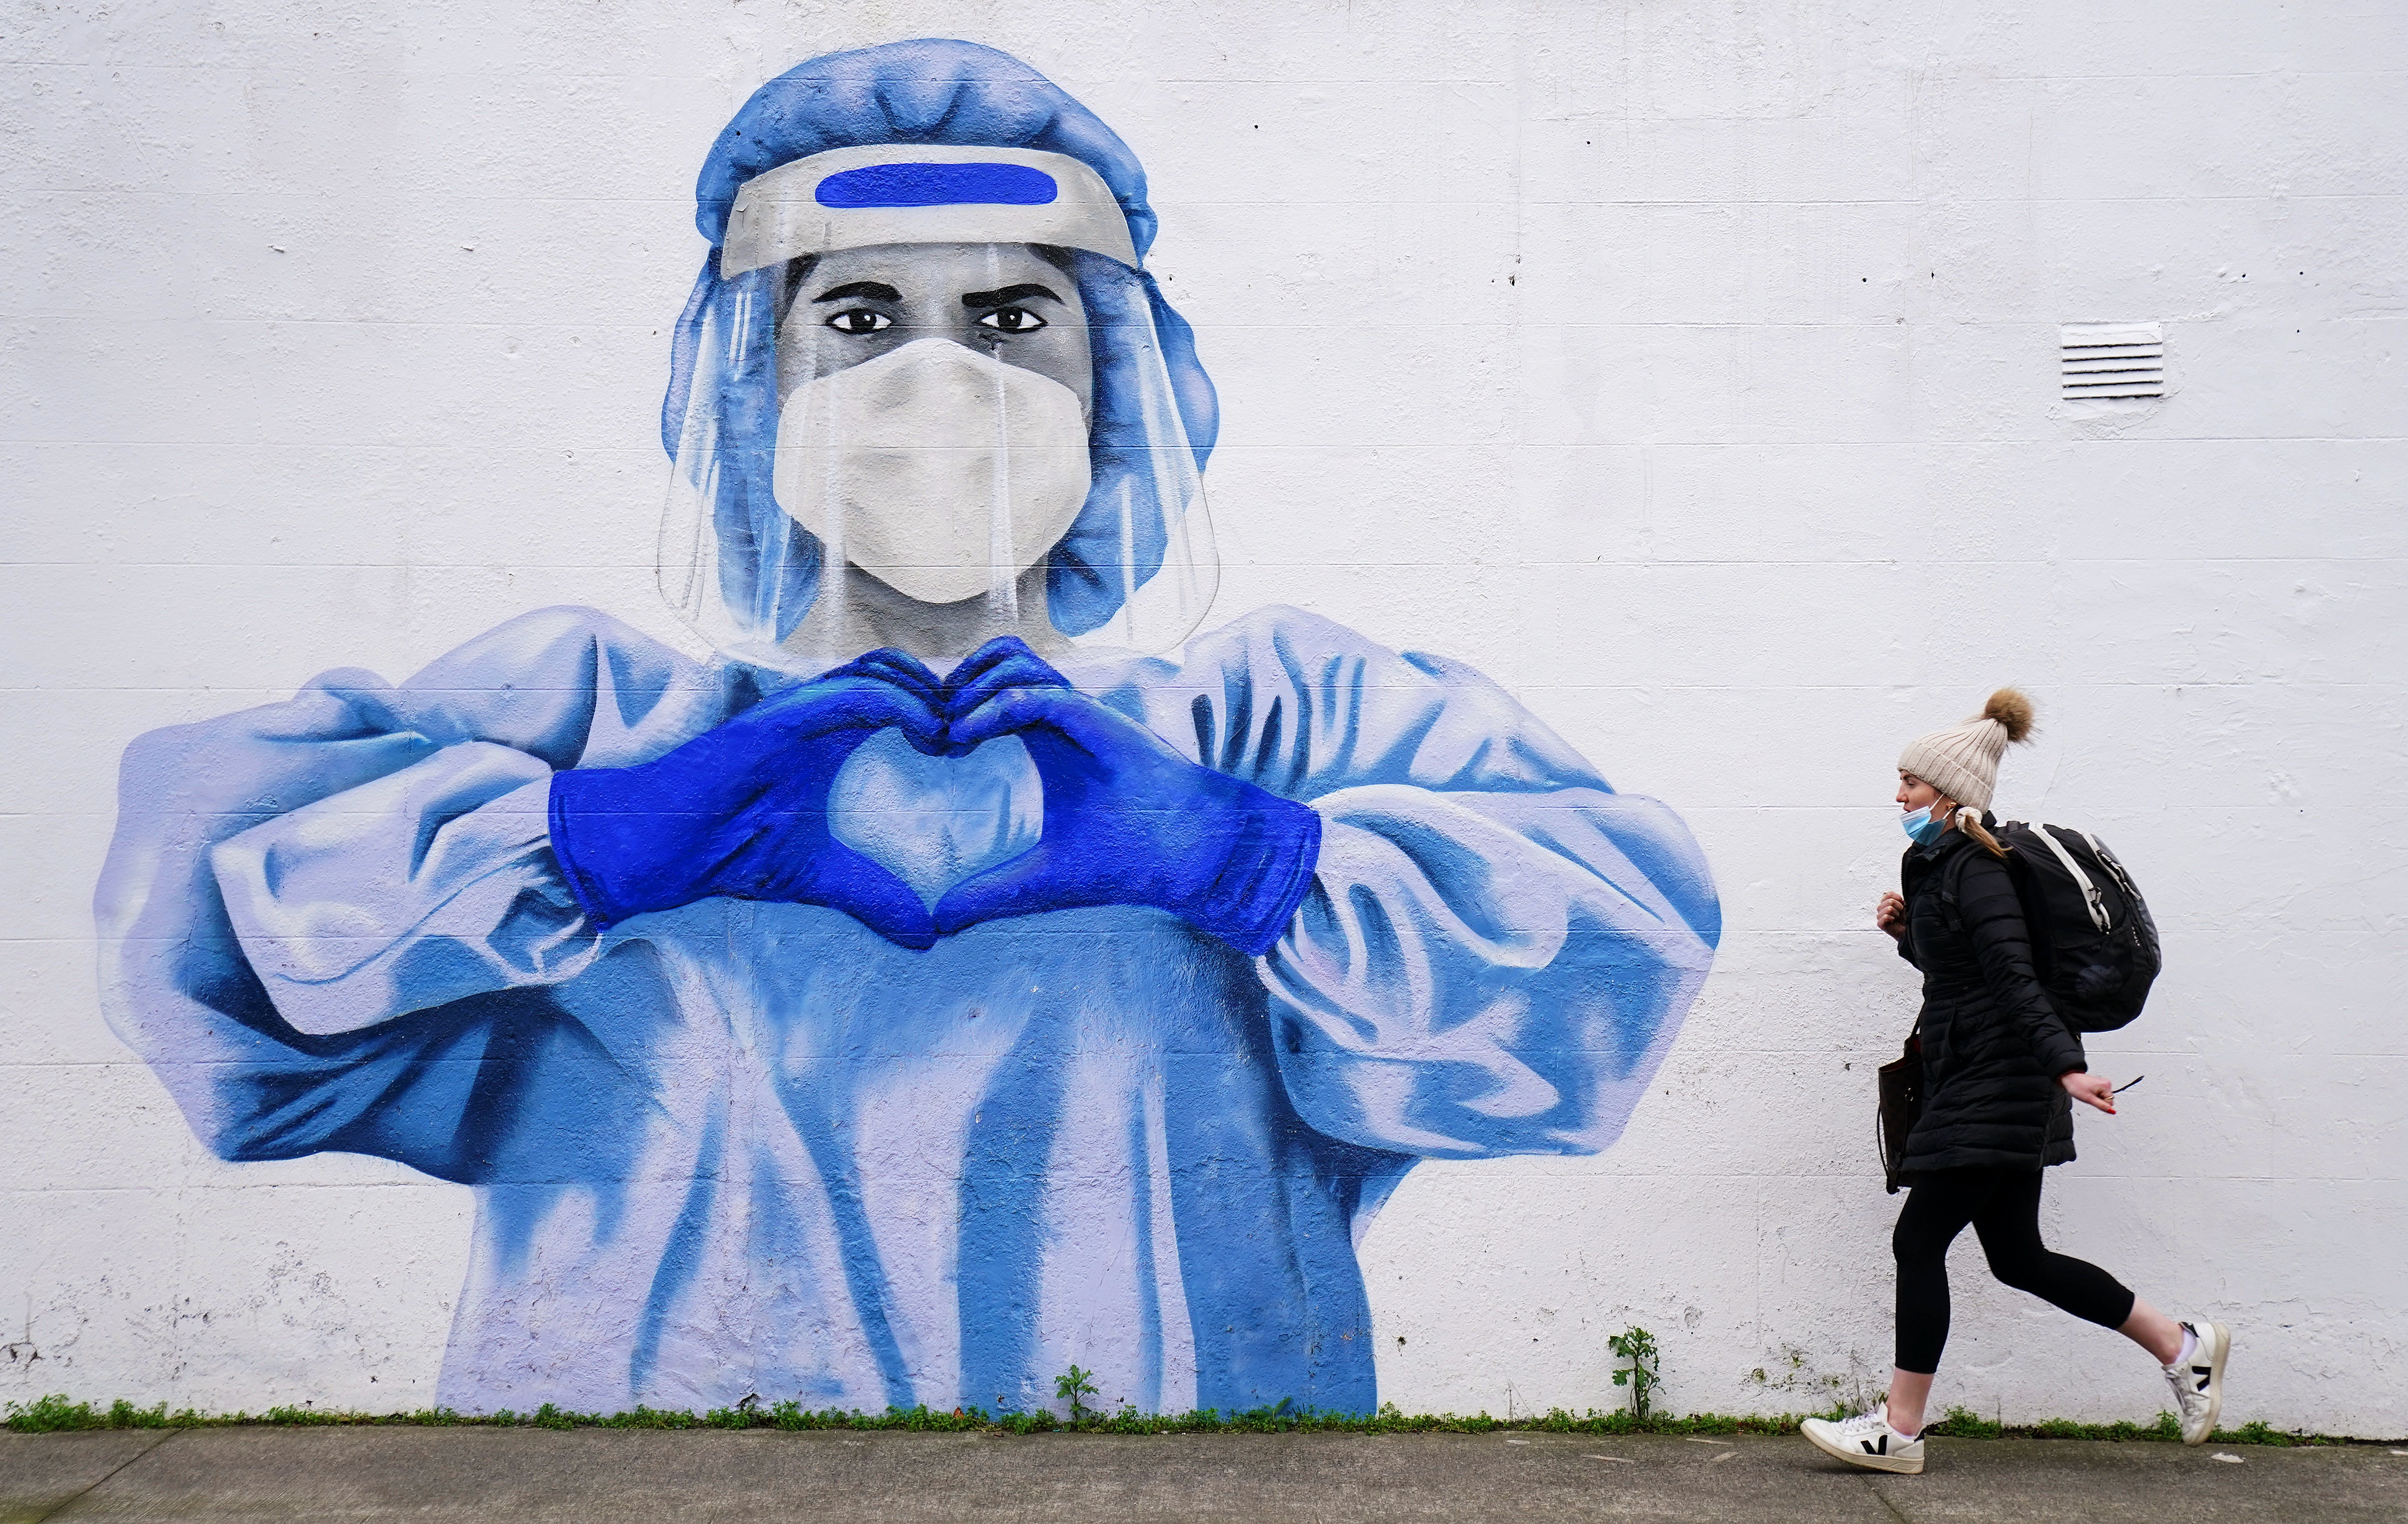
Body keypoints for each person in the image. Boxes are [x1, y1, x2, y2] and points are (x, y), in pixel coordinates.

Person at [95, 40, 1719, 1418]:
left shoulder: (1274, 725)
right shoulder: (594, 719)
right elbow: (200, 943)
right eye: (858, 318)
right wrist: (581, 842)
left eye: (1014, 321)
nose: (939, 387)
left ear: (1122, 385)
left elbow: (1615, 951)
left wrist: (1255, 857)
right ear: (755, 382)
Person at [1800, 690, 2227, 1474]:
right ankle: (2183, 1344)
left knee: (1919, 1238)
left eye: (1911, 784)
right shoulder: (1944, 866)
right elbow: (1962, 973)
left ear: (1952, 793)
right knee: (2019, 1256)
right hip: (1985, 1071)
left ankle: (1900, 1429)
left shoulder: (1981, 872)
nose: (1899, 796)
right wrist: (1909, 934)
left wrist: (2066, 1065)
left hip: (2002, 1077)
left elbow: (2013, 978)